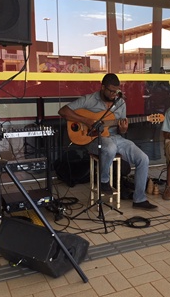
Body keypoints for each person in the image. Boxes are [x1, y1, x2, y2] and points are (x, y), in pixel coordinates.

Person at [58, 73, 157, 210]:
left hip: (116, 138)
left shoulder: (120, 102)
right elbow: (63, 111)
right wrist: (87, 121)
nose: (113, 94)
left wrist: (123, 129)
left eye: (116, 91)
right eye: (110, 90)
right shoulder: (89, 99)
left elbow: (121, 129)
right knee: (109, 147)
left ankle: (139, 199)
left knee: (143, 158)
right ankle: (104, 181)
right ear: (102, 87)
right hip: (94, 139)